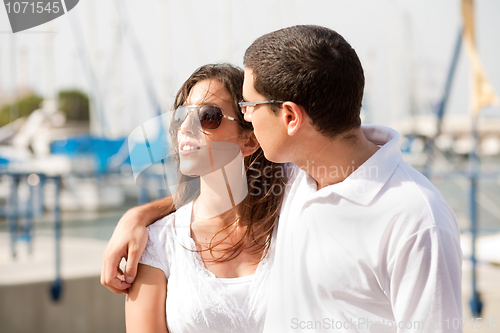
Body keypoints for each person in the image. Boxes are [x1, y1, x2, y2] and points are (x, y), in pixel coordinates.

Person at [102, 25, 462, 332]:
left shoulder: (416, 220)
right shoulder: (300, 180)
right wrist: (137, 217)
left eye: (248, 107)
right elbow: (215, 193)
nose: (248, 119)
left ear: (290, 117)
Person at [124, 63, 287, 333]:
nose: (186, 127)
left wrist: (138, 214)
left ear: (249, 140)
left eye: (208, 116)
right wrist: (135, 217)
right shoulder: (158, 242)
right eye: (180, 117)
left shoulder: (293, 216)